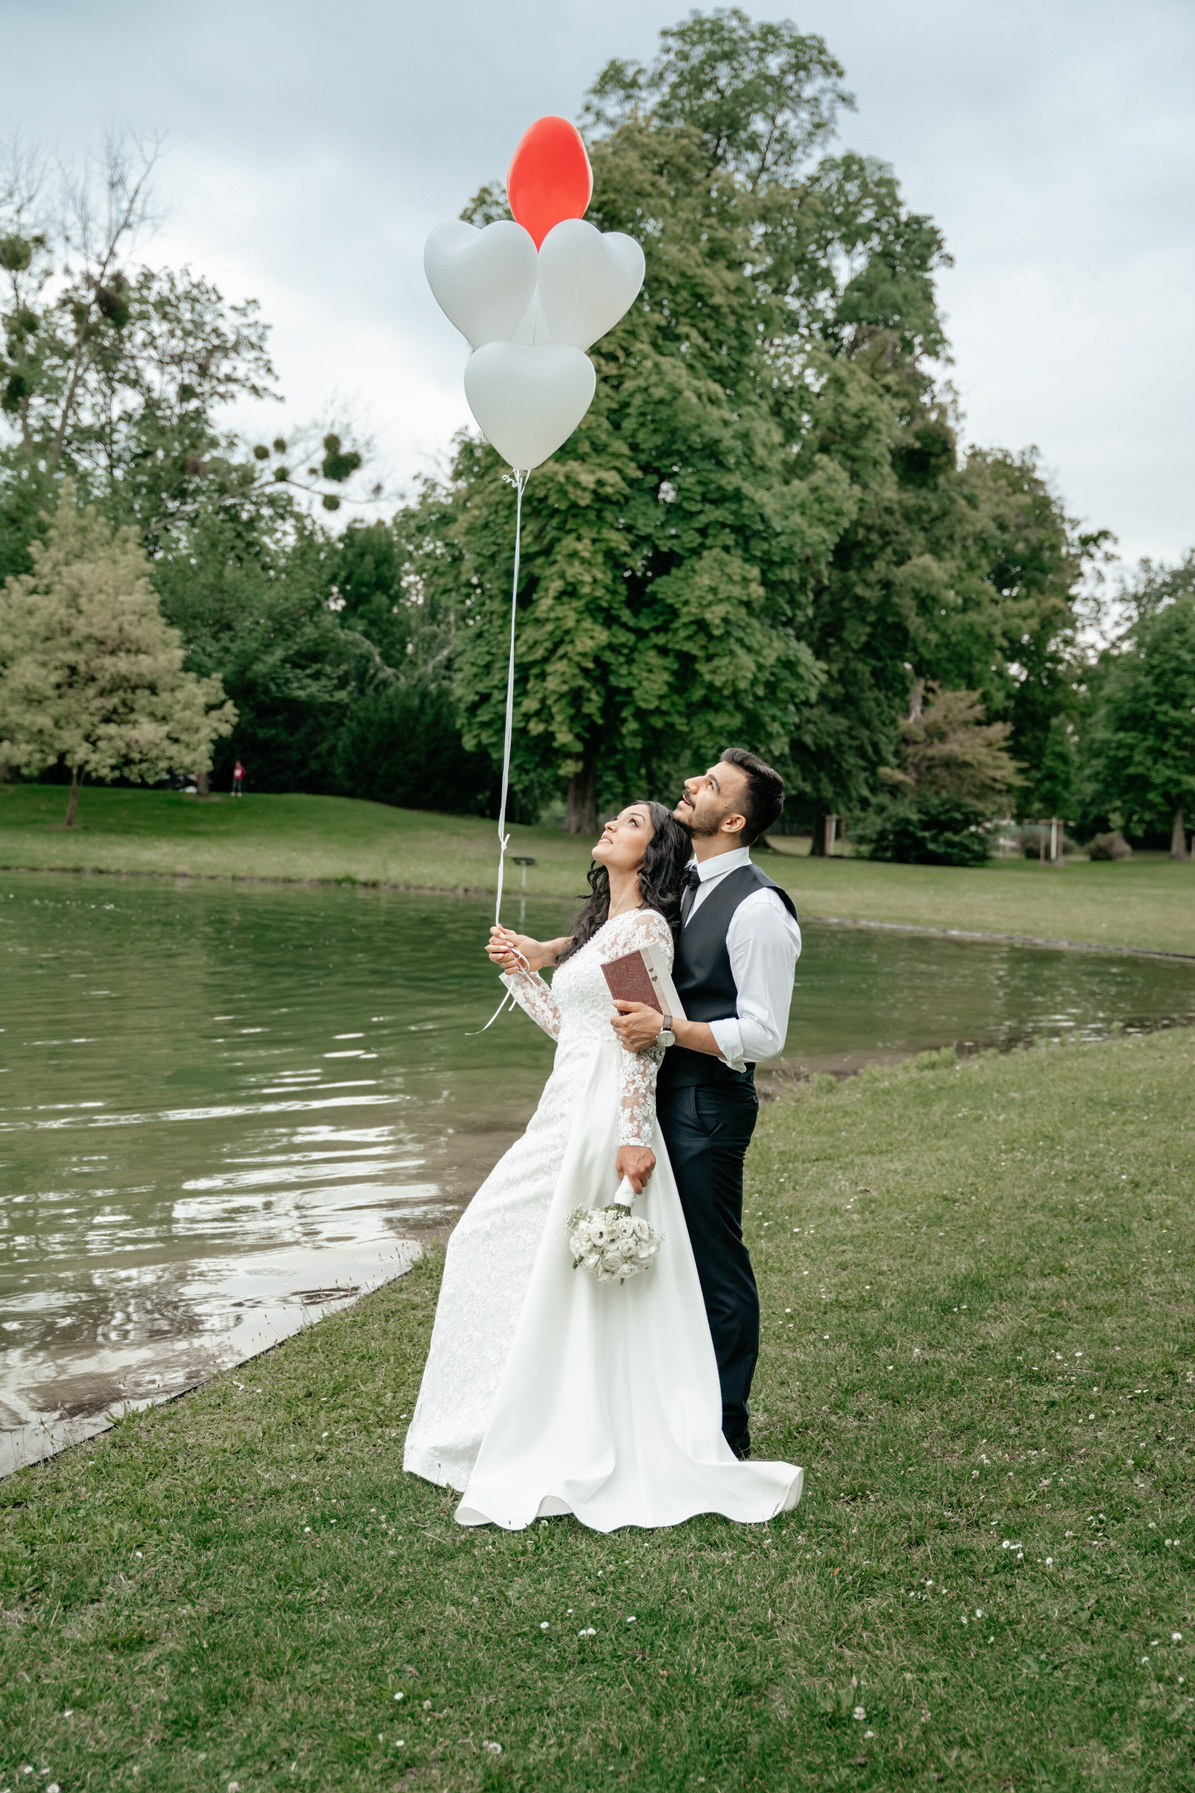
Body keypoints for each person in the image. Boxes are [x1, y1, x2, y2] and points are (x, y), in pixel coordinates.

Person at [403, 798, 802, 1532]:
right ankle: (500, 1416)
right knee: (523, 1257)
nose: (612, 827)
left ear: (650, 853)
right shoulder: (608, 930)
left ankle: (552, 1427)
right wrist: (522, 971)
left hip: (598, 1116)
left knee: (491, 1242)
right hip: (566, 1099)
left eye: (629, 823)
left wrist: (631, 1135)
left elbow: (639, 1041)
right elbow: (574, 1026)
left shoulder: (647, 929)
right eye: (613, 818)